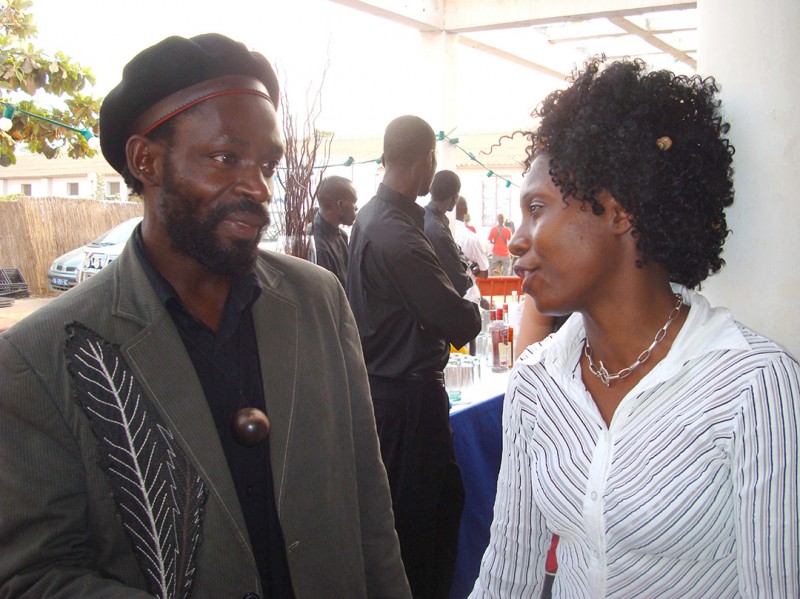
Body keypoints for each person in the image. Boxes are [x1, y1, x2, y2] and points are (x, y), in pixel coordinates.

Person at [0, 34, 410, 599]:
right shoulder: (41, 356)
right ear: (147, 161)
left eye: (267, 164)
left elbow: (369, 510)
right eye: (225, 158)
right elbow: (35, 575)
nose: (258, 187)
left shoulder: (317, 301)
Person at [471, 57, 799, 598]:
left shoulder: (754, 386)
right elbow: (509, 574)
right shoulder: (536, 384)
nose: (516, 241)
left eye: (536, 207)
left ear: (618, 211)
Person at [347, 115, 482, 599]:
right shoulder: (399, 236)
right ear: (427, 161)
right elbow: (462, 324)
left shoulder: (374, 217)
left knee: (412, 525)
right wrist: (464, 306)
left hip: (385, 390)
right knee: (423, 532)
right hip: (408, 400)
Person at [424, 170, 471, 298]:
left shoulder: (421, 217)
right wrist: (468, 275)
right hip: (437, 299)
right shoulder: (437, 231)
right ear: (455, 197)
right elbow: (458, 282)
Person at [313, 175, 357, 287]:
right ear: (340, 205)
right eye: (354, 202)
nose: (356, 208)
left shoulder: (341, 235)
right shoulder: (316, 245)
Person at [454, 196, 490, 305]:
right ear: (465, 210)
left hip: (446, 296)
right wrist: (476, 270)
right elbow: (484, 273)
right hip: (468, 297)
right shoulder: (471, 238)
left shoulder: (437, 232)